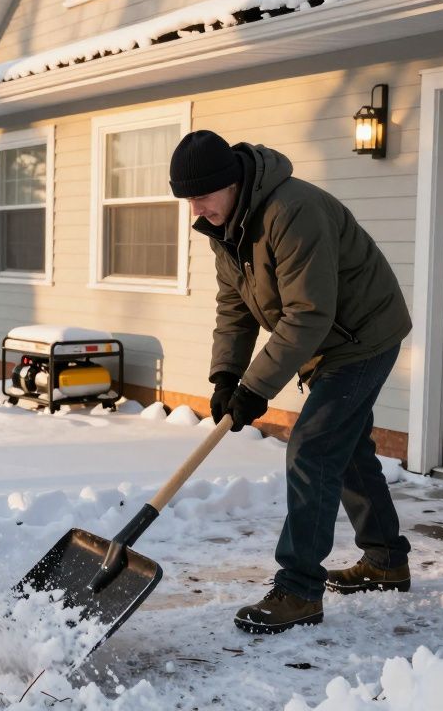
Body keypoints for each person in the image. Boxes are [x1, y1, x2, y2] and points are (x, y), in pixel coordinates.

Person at [168, 130, 414, 634]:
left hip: (362, 337)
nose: (196, 210)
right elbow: (235, 305)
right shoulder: (225, 226)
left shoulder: (292, 211)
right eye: (188, 200)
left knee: (313, 447)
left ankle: (299, 590)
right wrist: (226, 376)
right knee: (346, 449)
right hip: (328, 338)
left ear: (231, 183)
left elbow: (307, 314)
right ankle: (386, 560)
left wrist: (255, 389)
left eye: (202, 196)